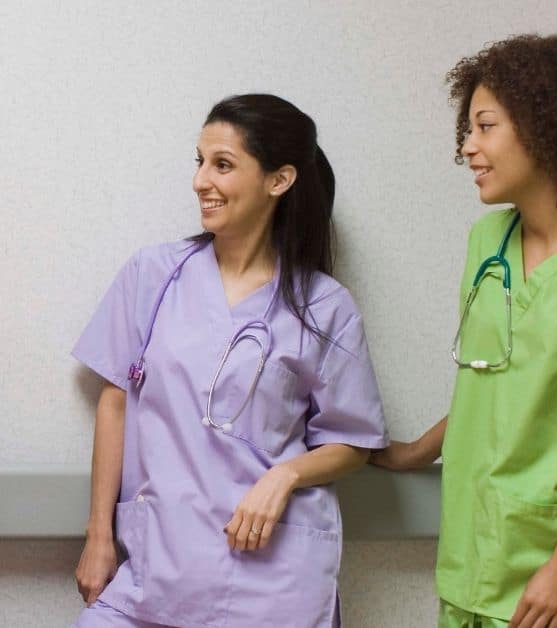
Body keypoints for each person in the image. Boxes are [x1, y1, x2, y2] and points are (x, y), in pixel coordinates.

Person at [70, 94, 388, 628]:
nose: (200, 181)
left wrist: (284, 476)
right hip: (159, 570)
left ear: (279, 180)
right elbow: (115, 402)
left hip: (274, 579)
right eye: (199, 162)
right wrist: (98, 535)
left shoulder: (324, 305)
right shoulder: (154, 274)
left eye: (222, 165)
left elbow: (352, 442)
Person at [371, 33, 557, 628]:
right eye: (468, 129)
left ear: (547, 126)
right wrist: (416, 451)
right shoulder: (484, 243)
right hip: (470, 553)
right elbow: (489, 380)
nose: (469, 147)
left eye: (485, 126)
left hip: (550, 571)